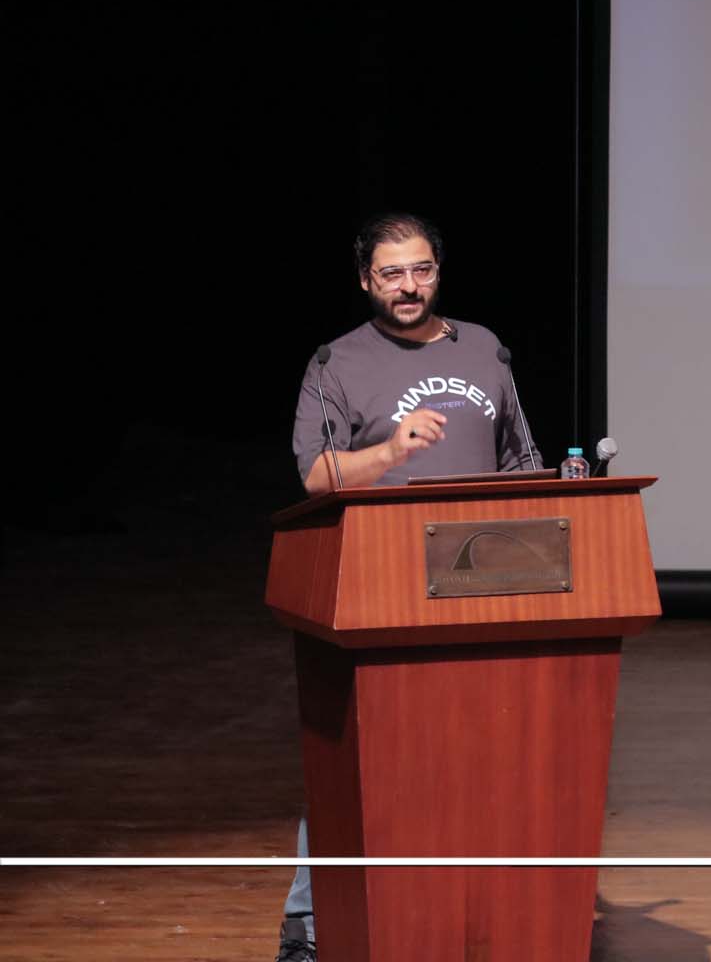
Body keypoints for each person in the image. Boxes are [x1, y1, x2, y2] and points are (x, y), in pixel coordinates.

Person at [277, 213, 543, 962]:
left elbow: (522, 463)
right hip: (380, 586)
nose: (408, 286)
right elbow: (316, 474)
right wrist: (390, 452)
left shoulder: (485, 347)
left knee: (491, 758)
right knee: (360, 759)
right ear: (366, 280)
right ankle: (310, 926)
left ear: (438, 273)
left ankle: (490, 918)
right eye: (391, 273)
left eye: (421, 270)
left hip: (488, 586)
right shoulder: (336, 363)